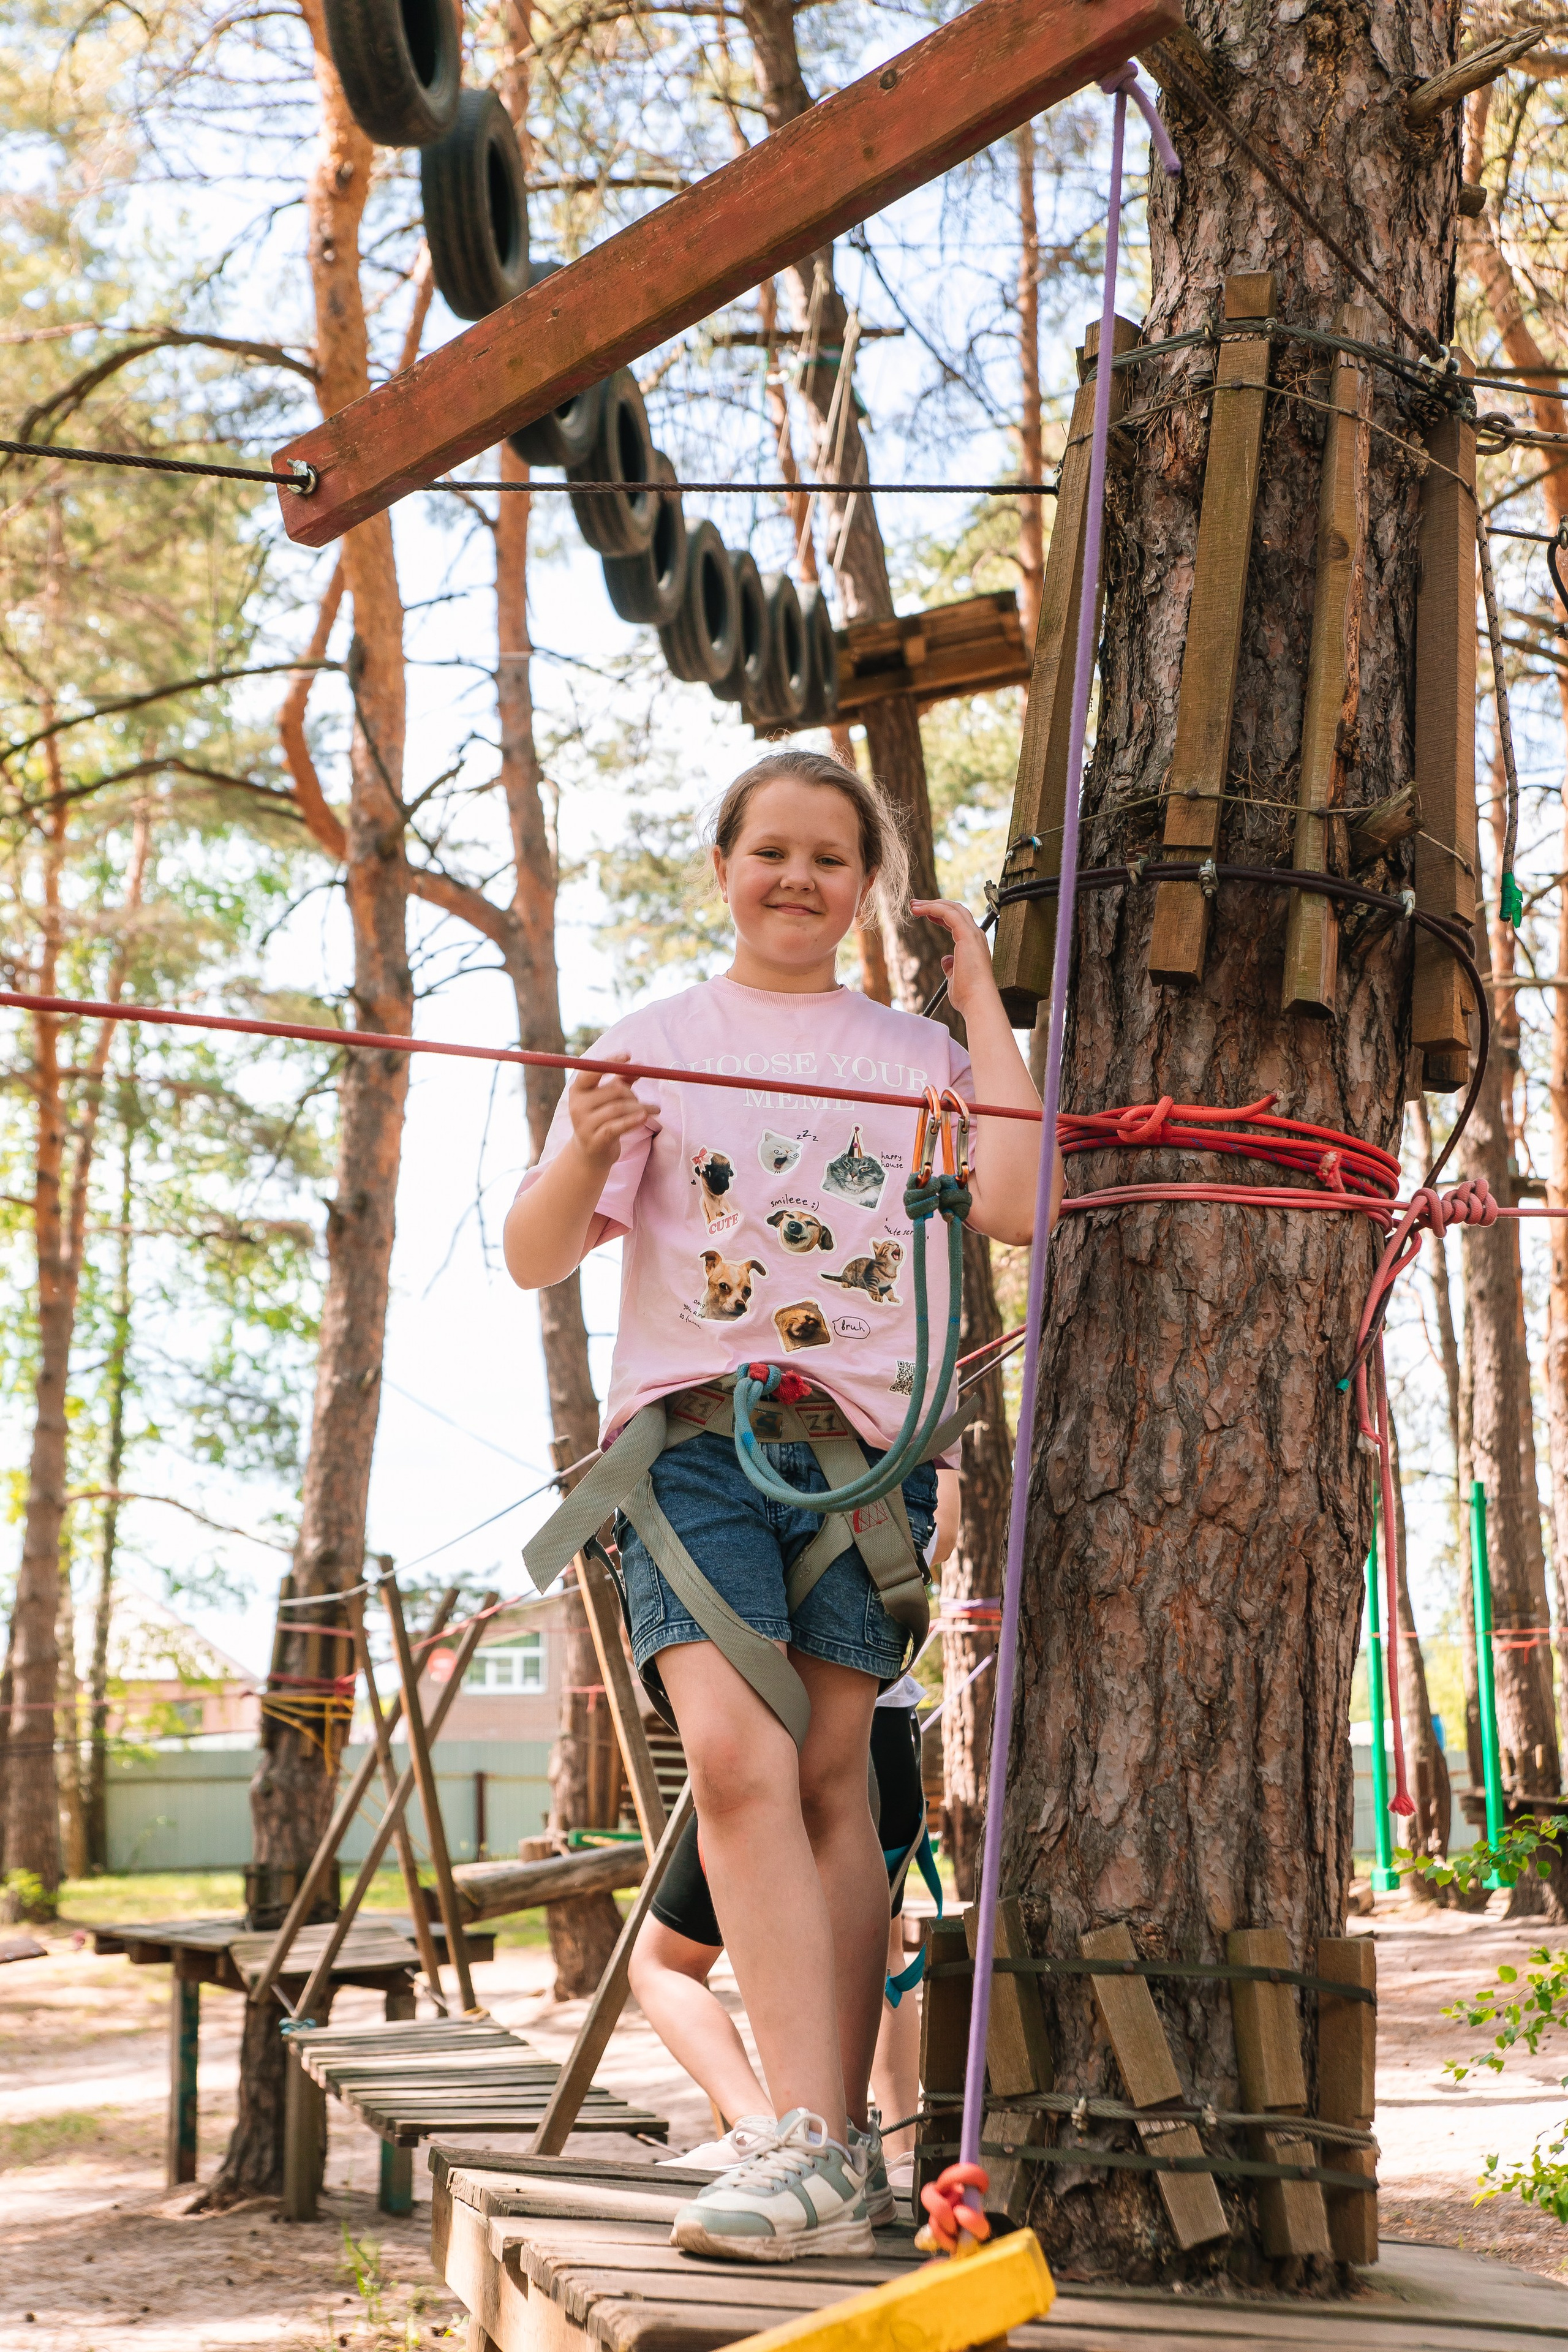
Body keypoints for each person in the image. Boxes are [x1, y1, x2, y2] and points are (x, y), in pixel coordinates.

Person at [504, 749, 1044, 2262]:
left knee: (829, 1782)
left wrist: (979, 1003)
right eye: (770, 852)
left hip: (862, 1458)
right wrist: (585, 1151)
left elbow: (1013, 1204)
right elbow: (534, 1256)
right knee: (737, 1762)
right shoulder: (653, 1043)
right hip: (693, 1445)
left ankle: (832, 2141)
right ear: (723, 866)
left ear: (862, 883)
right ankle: (804, 2135)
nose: (797, 879)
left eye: (829, 857)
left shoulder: (912, 1054)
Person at [627, 1471, 959, 2198]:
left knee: (663, 1961)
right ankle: (851, 2143)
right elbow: (945, 1517)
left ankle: (792, 2130)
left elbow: (942, 1512)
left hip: (843, 1726)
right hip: (879, 1730)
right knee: (870, 1944)